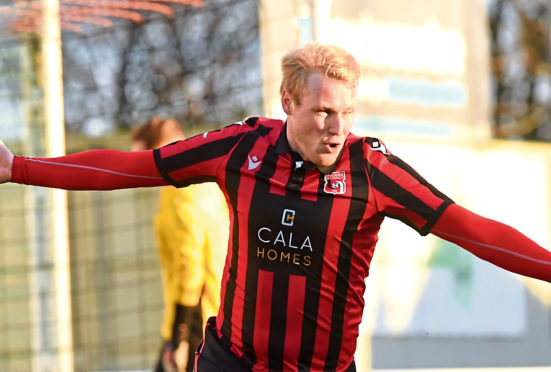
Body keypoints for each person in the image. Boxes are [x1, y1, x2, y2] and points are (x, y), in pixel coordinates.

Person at [1, 42, 550, 372]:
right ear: (288, 102)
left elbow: (471, 229)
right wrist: (17, 168)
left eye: (348, 113)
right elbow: (131, 167)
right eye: (323, 112)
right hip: (230, 362)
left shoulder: (373, 172)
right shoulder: (239, 149)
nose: (338, 129)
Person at [130, 118, 229, 372]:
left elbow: (190, 264)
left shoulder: (179, 190)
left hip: (196, 317)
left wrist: (180, 335)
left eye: (139, 159)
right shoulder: (205, 181)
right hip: (216, 311)